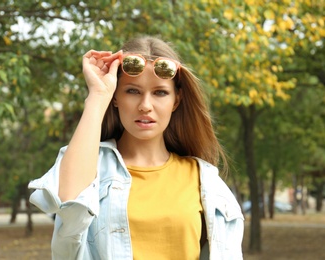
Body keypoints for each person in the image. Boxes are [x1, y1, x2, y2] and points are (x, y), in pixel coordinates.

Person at [29, 35, 244, 259]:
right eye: (132, 91)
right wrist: (98, 94)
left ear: (176, 101)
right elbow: (68, 204)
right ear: (115, 97)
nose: (145, 106)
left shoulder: (204, 179)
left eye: (160, 92)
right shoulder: (89, 167)